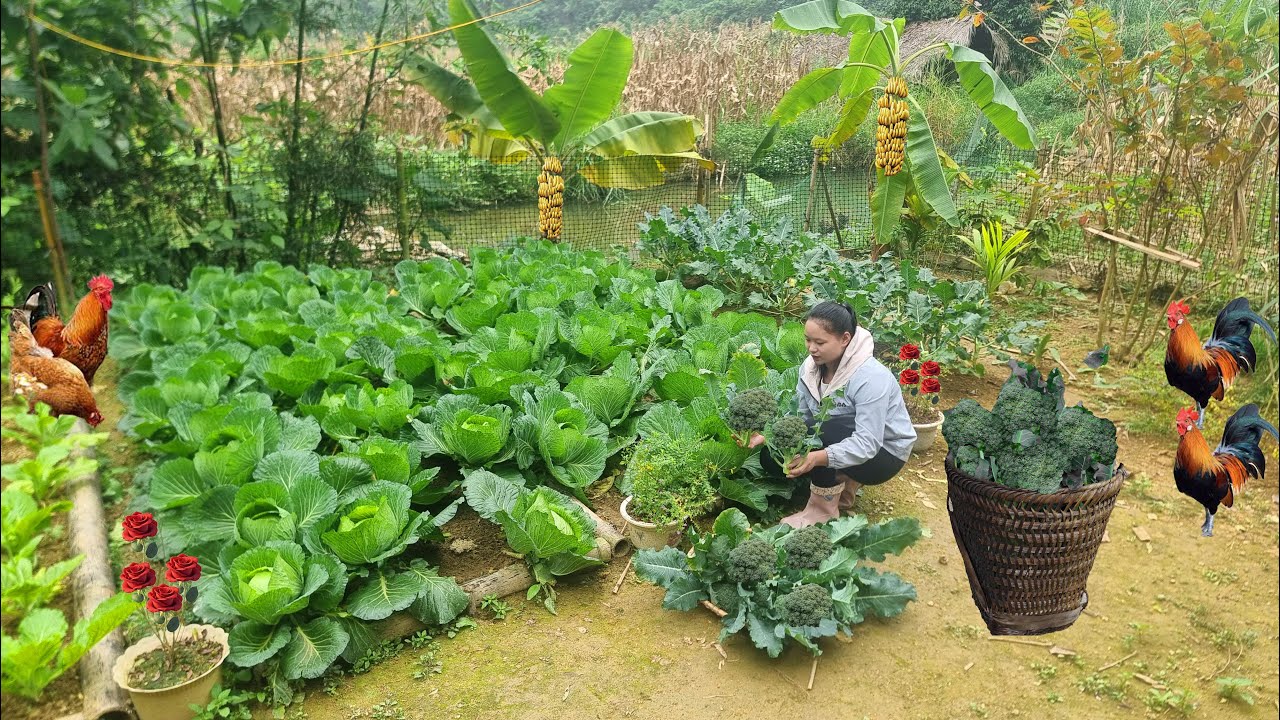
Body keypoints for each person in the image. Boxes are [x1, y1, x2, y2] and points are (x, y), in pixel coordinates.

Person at [750, 301, 916, 528]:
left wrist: (816, 458)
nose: (811, 348)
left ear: (845, 339)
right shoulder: (810, 368)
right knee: (771, 458)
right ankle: (843, 483)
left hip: (884, 455)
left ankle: (822, 510)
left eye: (820, 342)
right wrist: (770, 436)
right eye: (808, 340)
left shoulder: (870, 377)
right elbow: (801, 417)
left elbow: (868, 443)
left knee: (826, 430)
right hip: (843, 440)